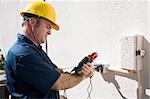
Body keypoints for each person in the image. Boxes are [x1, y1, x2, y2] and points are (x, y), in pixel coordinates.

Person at [5, 1, 94, 98]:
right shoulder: (23, 54)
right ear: (32, 22)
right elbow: (58, 83)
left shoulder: (33, 49)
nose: (50, 32)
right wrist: (83, 76)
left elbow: (54, 72)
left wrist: (78, 69)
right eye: (48, 26)